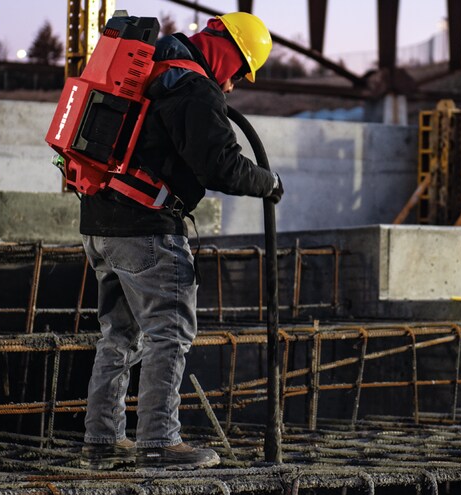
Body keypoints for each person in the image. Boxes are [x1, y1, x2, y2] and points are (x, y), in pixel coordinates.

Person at [77, 12, 282, 471]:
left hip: (99, 222)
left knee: (119, 335)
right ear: (226, 49)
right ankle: (159, 442)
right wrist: (267, 183)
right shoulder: (192, 86)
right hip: (145, 230)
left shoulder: (151, 67)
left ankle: (103, 439)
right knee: (169, 333)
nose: (231, 86)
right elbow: (221, 165)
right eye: (240, 72)